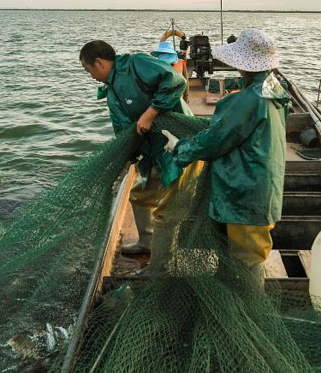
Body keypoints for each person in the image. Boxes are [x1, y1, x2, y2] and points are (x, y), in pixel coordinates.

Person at [161, 28, 289, 286]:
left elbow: (214, 142)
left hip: (244, 193)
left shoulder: (247, 101)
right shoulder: (275, 90)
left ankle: (249, 313)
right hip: (264, 186)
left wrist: (180, 148)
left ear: (243, 65)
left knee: (246, 259)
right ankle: (239, 300)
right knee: (244, 255)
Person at [79, 40, 202, 269]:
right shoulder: (112, 90)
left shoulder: (136, 64)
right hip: (151, 152)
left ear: (99, 62)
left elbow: (176, 81)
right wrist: (126, 158)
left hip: (177, 146)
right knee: (139, 195)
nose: (91, 76)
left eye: (89, 70)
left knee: (168, 213)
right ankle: (146, 242)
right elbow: (124, 131)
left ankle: (160, 269)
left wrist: (151, 112)